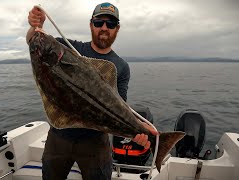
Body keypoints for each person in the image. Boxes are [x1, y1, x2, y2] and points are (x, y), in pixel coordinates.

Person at [26, 2, 158, 179]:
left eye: (110, 24)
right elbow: (32, 40)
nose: (104, 28)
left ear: (117, 28)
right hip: (59, 137)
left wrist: (138, 128)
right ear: (91, 25)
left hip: (95, 142)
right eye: (99, 22)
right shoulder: (69, 48)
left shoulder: (121, 66)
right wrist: (36, 27)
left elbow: (120, 106)